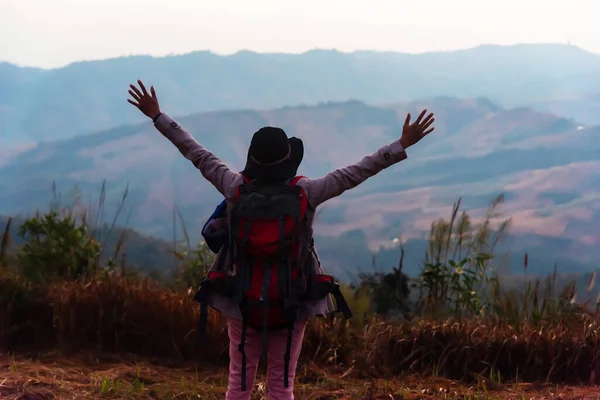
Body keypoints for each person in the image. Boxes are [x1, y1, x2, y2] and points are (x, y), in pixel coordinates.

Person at [127, 80, 435, 400]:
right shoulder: (306, 192)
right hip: (291, 299)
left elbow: (196, 153)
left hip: (241, 298)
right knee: (281, 384)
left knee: (239, 383)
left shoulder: (233, 187)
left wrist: (158, 116)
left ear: (252, 158)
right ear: (288, 159)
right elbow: (355, 172)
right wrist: (401, 144)